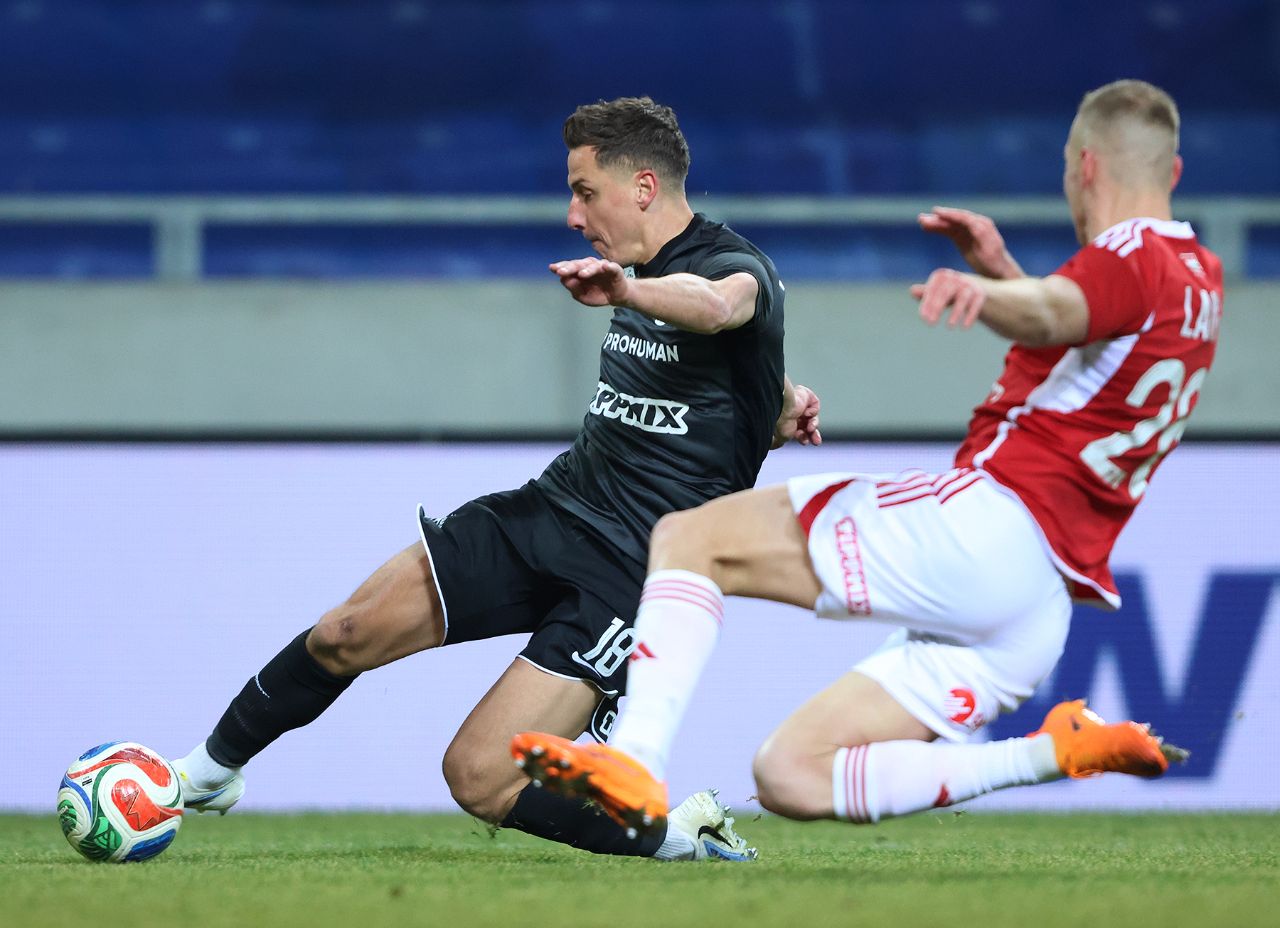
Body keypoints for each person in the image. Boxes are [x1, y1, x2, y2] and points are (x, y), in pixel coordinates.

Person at [511, 79, 1216, 834]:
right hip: (1037, 604)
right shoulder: (1198, 278)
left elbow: (1055, 312)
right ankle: (1056, 753)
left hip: (989, 528)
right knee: (792, 774)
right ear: (1173, 171)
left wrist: (987, 294)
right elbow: (1082, 347)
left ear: (1084, 166)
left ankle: (636, 763)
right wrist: (1005, 272)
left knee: (689, 538)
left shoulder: (1130, 256)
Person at [171, 96, 821, 862]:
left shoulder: (730, 269)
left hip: (633, 571)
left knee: (479, 776)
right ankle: (204, 775)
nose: (574, 215)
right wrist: (780, 403)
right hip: (553, 508)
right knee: (346, 632)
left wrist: (628, 292)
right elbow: (730, 375)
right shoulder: (642, 269)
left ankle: (679, 837)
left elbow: (716, 307)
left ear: (643, 187)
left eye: (585, 191)